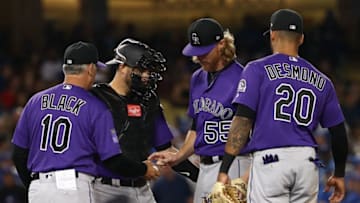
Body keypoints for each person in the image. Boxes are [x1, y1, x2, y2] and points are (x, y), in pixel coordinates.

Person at [216, 9, 348, 203]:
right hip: (307, 163)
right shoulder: (323, 80)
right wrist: (339, 174)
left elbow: (243, 120)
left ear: (273, 35)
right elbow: (338, 132)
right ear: (301, 39)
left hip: (271, 161)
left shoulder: (257, 69)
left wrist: (224, 168)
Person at [11, 41, 159, 203]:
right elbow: (112, 160)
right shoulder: (95, 105)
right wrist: (143, 169)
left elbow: (18, 155)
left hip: (39, 188)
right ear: (90, 69)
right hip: (73, 187)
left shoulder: (35, 101)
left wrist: (35, 185)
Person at [149, 17, 251, 203]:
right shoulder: (197, 78)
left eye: (204, 51)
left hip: (233, 165)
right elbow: (197, 127)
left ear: (221, 45)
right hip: (205, 166)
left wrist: (244, 178)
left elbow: (252, 127)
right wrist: (178, 156)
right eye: (196, 51)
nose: (199, 57)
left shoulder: (243, 77)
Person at [91, 38, 198, 203]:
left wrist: (200, 176)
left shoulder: (148, 100)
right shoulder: (97, 98)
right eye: (141, 69)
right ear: (122, 66)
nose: (147, 75)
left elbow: (166, 150)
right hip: (105, 189)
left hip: (142, 189)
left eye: (149, 71)